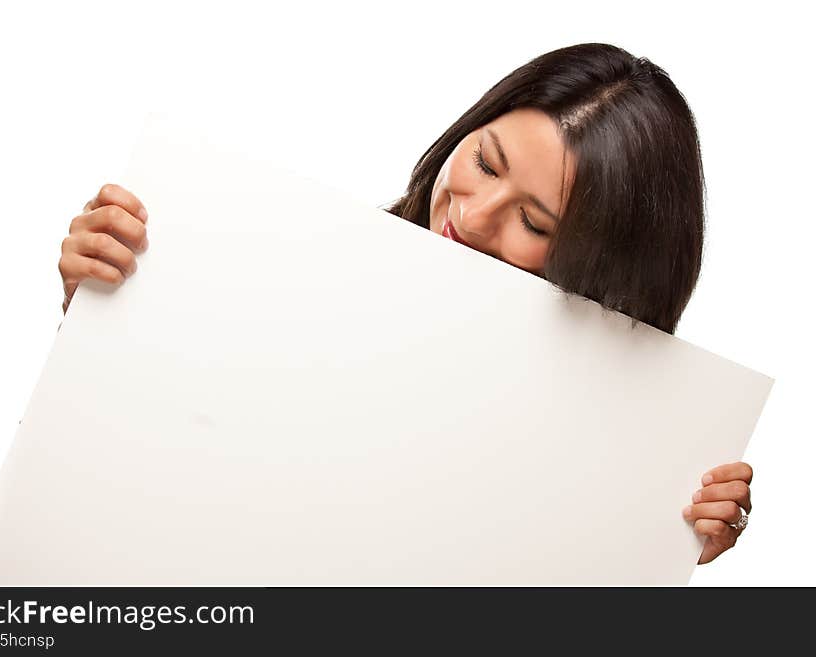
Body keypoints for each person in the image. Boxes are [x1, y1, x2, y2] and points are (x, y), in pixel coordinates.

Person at [57, 43, 753, 566]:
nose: (474, 215)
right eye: (484, 161)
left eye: (535, 223)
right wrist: (102, 312)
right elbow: (172, 457)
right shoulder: (294, 272)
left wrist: (662, 534)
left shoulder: (596, 439)